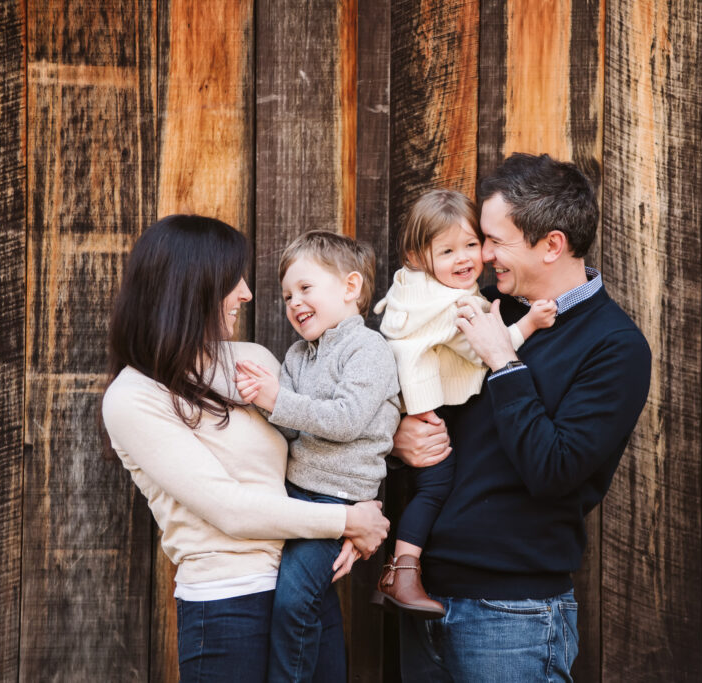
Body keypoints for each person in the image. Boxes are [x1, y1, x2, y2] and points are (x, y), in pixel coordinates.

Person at [392, 155, 652, 682]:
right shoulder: (482, 308)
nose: (482, 257)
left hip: (513, 615)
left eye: (494, 241)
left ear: (551, 244)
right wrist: (400, 438)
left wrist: (503, 362)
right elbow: (423, 399)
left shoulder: (615, 347)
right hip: (424, 598)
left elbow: (553, 469)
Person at [100, 215, 389, 682]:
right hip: (227, 606)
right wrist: (346, 520)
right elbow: (229, 509)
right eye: (234, 278)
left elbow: (334, 431)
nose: (247, 294)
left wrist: (402, 447)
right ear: (193, 284)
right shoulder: (133, 397)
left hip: (306, 584)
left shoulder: (252, 362)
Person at [369, 189, 556, 618]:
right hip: (424, 413)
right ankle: (403, 570)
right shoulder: (458, 303)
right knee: (435, 488)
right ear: (419, 256)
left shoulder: (409, 286)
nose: (465, 258)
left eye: (471, 244)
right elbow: (485, 350)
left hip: (400, 404)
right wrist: (529, 322)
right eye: (448, 250)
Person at [233, 230, 401, 683]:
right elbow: (288, 426)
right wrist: (252, 399)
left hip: (337, 500)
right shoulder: (296, 355)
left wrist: (275, 399)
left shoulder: (368, 349)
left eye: (306, 288)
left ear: (350, 288)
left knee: (293, 605)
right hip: (296, 497)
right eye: (287, 294)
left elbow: (347, 419)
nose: (294, 302)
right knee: (314, 608)